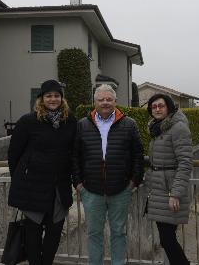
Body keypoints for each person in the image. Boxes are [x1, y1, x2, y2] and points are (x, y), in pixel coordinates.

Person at [72, 84, 144, 265]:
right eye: (101, 99)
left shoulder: (129, 124)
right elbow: (74, 156)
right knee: (93, 233)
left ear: (115, 101)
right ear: (94, 102)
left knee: (119, 232)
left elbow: (138, 155)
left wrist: (134, 182)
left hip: (120, 190)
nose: (105, 102)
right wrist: (78, 183)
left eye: (108, 99)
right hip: (91, 191)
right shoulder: (82, 125)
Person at [7, 79, 76, 265]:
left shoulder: (69, 121)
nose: (53, 99)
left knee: (54, 232)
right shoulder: (28, 121)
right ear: (41, 98)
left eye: (56, 95)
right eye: (49, 95)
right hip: (33, 187)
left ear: (62, 98)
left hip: (58, 188)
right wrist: (20, 179)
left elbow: (74, 153)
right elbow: (14, 155)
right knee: (33, 233)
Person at [145, 93, 193, 265]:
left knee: (167, 239)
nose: (157, 109)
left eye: (161, 105)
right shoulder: (158, 128)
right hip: (158, 190)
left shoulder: (178, 128)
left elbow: (185, 162)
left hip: (170, 191)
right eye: (154, 106)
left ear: (169, 107)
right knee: (167, 239)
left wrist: (175, 193)